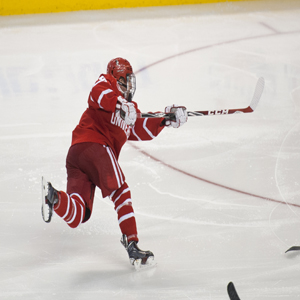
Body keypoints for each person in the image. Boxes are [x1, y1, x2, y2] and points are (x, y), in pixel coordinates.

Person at [42, 57, 188, 268]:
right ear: (117, 78)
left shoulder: (128, 109)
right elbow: (97, 93)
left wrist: (166, 119)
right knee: (120, 191)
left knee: (78, 215)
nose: (130, 86)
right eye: (126, 80)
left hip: (77, 157)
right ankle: (132, 245)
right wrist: (119, 103)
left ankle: (54, 198)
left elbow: (140, 128)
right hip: (93, 145)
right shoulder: (106, 84)